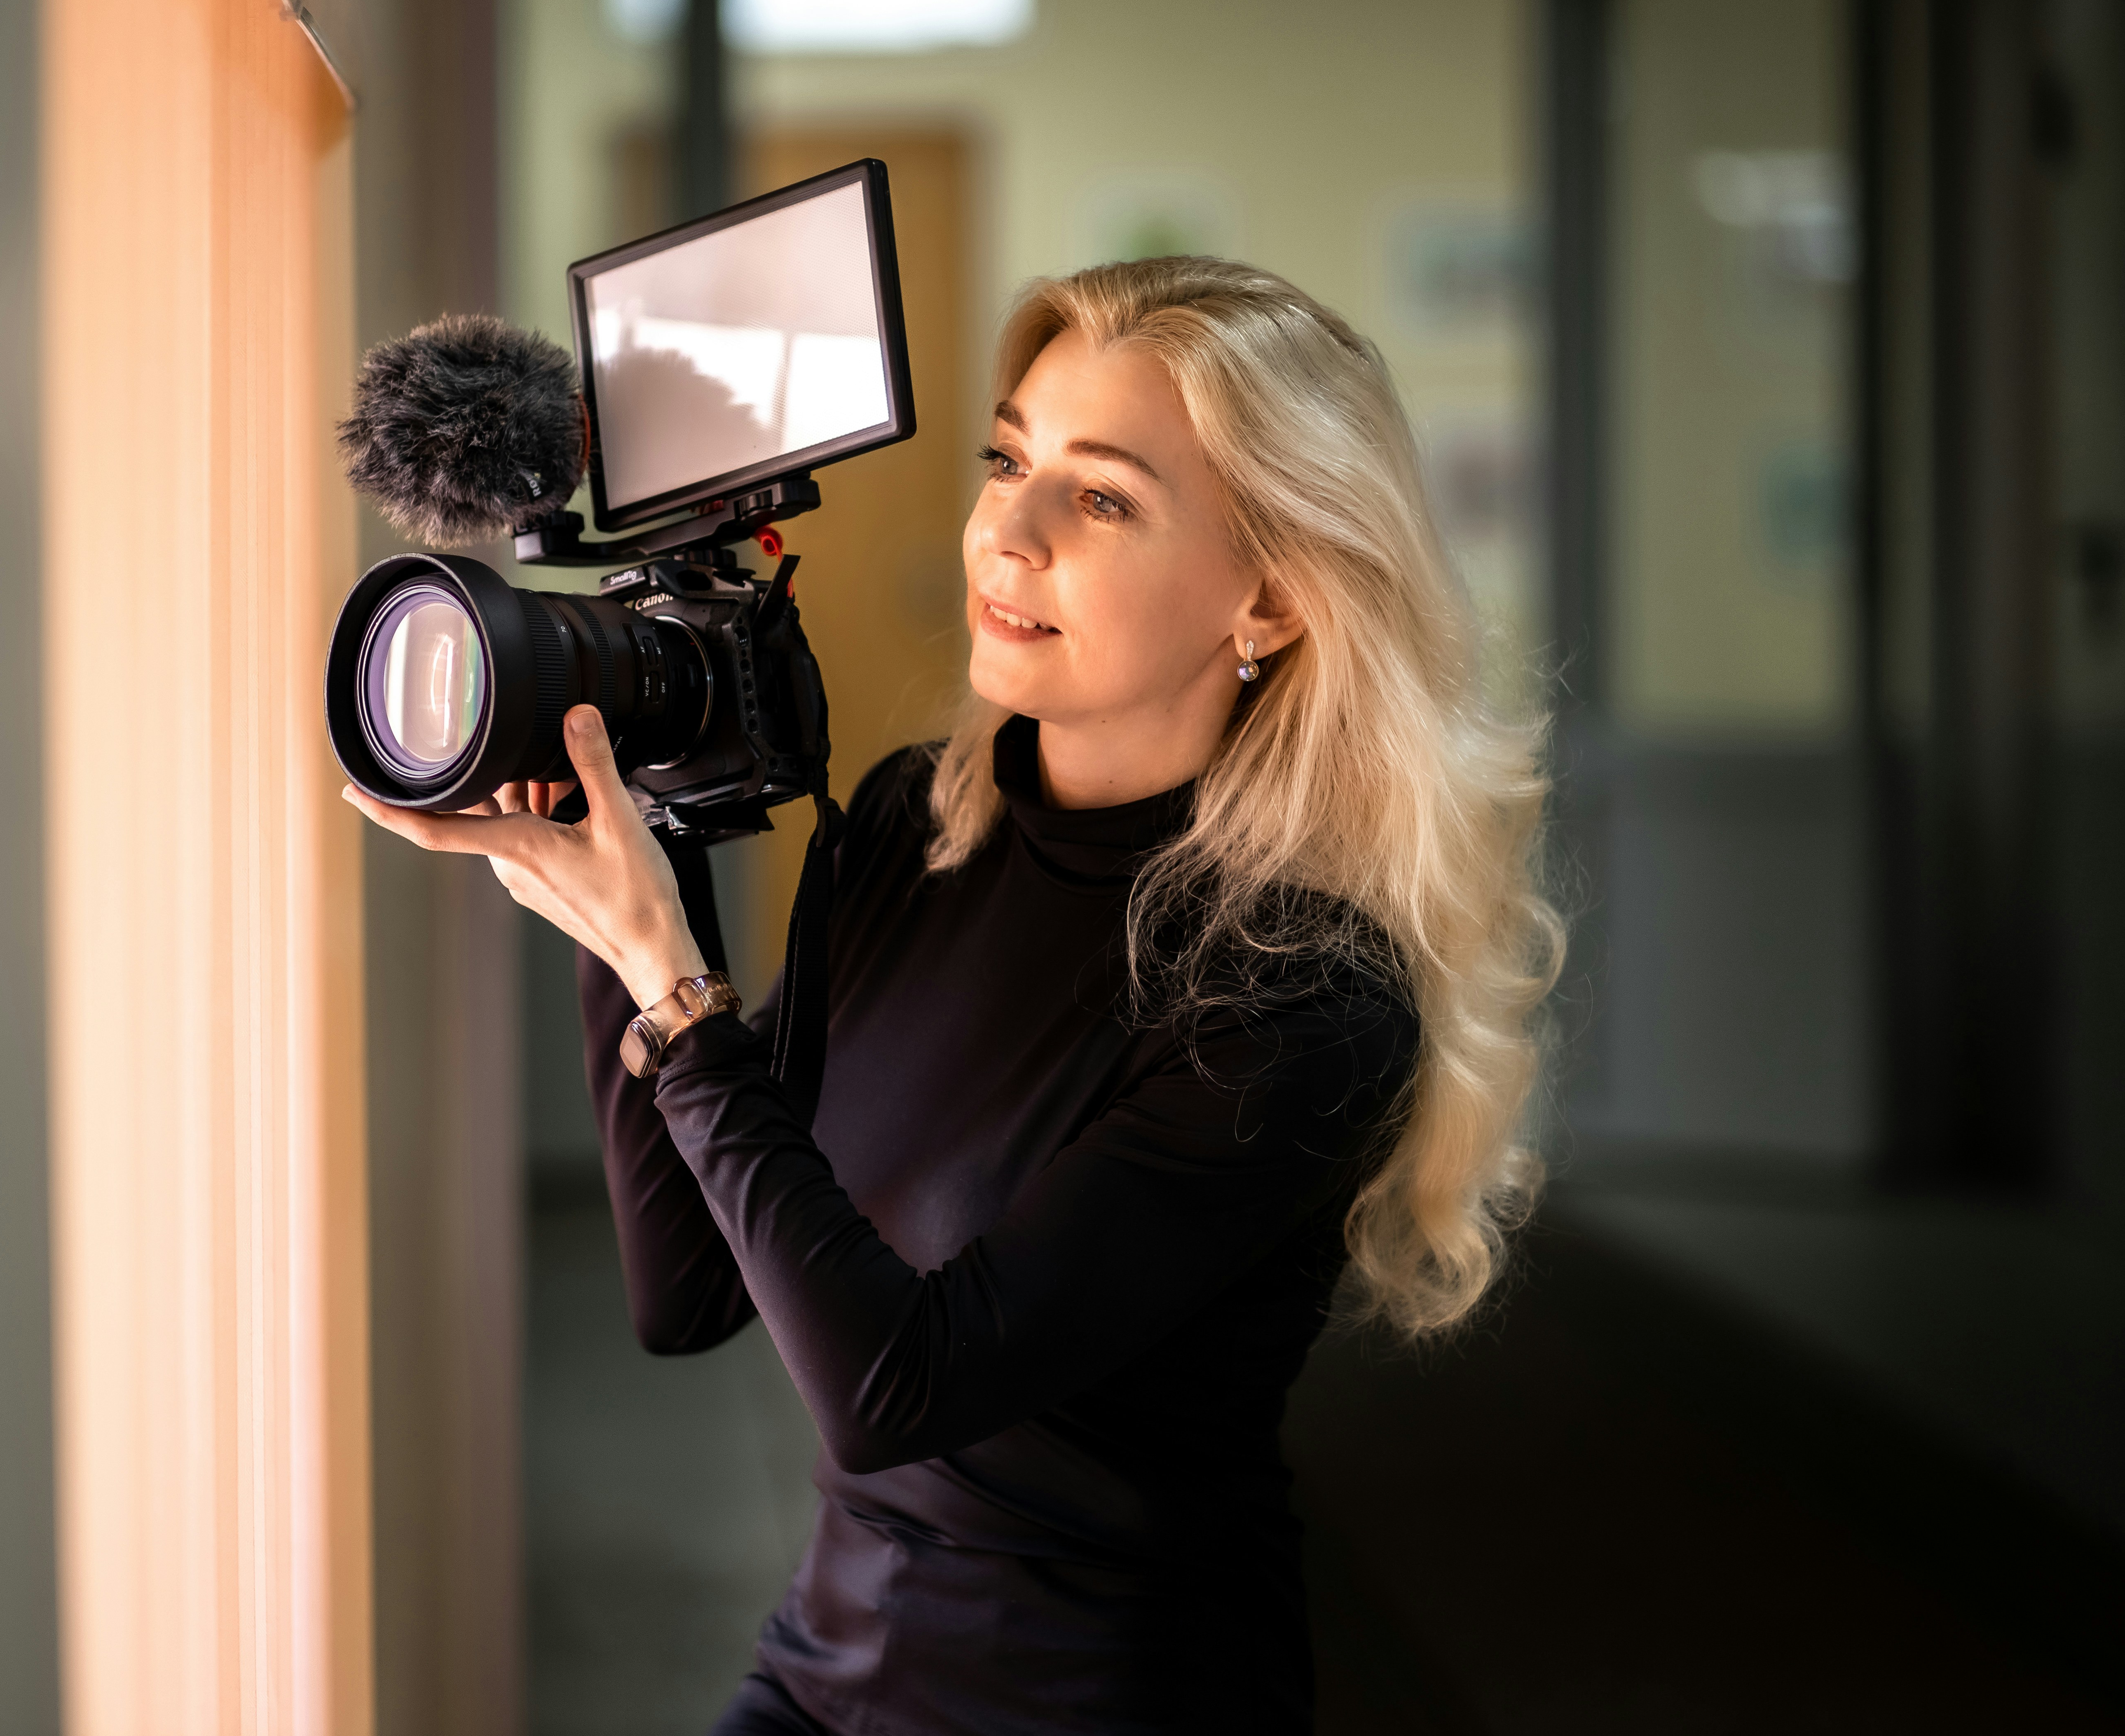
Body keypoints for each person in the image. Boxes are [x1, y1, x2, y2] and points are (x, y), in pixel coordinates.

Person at [348, 257, 1563, 1735]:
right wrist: (620, 895)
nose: (1007, 527)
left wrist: (670, 982)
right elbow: (689, 1290)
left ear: (1272, 600)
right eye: (1008, 459)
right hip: (824, 1672)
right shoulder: (915, 824)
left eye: (1101, 498)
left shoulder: (1304, 999)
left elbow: (897, 1386)